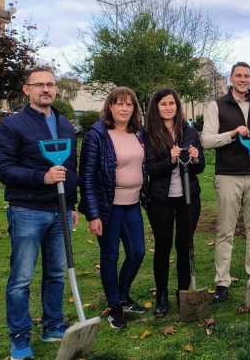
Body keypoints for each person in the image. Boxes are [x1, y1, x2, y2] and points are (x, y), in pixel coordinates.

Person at [0, 66, 79, 360]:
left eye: (51, 84)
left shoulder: (65, 124)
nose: (46, 89)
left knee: (56, 273)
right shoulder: (12, 126)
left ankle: (53, 325)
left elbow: (72, 170)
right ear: (26, 89)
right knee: (21, 278)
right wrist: (42, 178)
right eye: (39, 84)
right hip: (27, 209)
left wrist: (73, 203)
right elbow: (3, 169)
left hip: (61, 210)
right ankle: (19, 337)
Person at [201, 62, 250, 303]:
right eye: (238, 76)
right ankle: (222, 281)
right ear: (231, 78)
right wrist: (233, 133)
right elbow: (206, 140)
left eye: (246, 76)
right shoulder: (217, 105)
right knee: (225, 229)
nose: (242, 79)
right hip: (228, 175)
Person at [79, 87, 148, 329]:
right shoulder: (97, 135)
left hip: (132, 205)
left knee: (137, 252)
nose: (124, 108)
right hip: (108, 207)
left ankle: (123, 295)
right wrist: (92, 214)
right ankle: (114, 306)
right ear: (110, 106)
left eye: (129, 104)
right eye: (119, 104)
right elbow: (86, 177)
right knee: (110, 256)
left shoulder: (138, 132)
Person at [144, 88, 205, 316]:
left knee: (184, 246)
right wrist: (170, 160)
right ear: (156, 107)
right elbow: (151, 169)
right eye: (163, 104)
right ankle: (162, 296)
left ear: (177, 107)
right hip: (161, 199)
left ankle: (183, 292)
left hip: (188, 198)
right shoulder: (150, 135)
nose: (168, 108)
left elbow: (200, 167)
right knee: (162, 247)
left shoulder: (188, 132)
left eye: (172, 103)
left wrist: (196, 159)